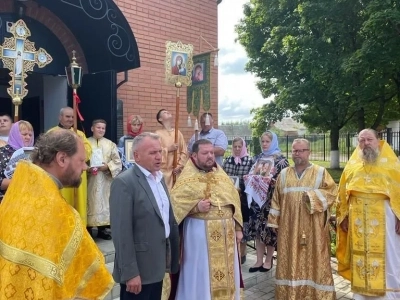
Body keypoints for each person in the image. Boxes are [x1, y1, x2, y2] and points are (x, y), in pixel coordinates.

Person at [0, 130, 113, 299]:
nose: (85, 167)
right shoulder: (60, 214)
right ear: (61, 159)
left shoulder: (19, 187)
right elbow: (96, 278)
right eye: (81, 161)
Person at [110, 132, 179, 300]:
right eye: (152, 153)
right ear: (136, 156)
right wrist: (130, 272)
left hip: (157, 265)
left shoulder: (159, 178)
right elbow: (121, 232)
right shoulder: (125, 183)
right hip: (138, 272)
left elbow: (165, 218)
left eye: (160, 152)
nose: (159, 157)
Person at [171, 139, 243, 300]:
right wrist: (196, 207)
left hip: (227, 236)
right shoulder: (186, 179)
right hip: (199, 235)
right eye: (205, 153)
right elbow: (175, 206)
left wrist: (238, 228)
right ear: (194, 156)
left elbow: (234, 199)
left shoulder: (220, 174)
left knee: (227, 271)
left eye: (211, 152)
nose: (210, 156)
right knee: (200, 271)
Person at [267, 138, 337, 299]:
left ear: (309, 152)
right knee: (289, 260)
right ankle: (290, 295)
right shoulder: (284, 174)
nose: (297, 154)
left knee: (315, 262)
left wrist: (312, 197)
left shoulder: (320, 172)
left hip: (314, 229)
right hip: (288, 228)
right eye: (294, 150)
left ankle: (316, 295)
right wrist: (273, 222)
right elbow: (276, 199)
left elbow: (332, 193)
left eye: (301, 150)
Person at [336, 129, 400, 299]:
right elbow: (343, 191)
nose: (365, 143)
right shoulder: (353, 165)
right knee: (360, 258)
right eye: (361, 140)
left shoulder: (391, 164)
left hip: (385, 218)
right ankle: (362, 295)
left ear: (377, 141)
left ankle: (389, 296)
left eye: (369, 139)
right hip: (357, 218)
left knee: (388, 256)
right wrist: (344, 216)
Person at [245, 131, 289, 273]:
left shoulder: (281, 160)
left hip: (271, 202)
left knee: (269, 230)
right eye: (262, 141)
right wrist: (251, 178)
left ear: (273, 142)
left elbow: (285, 181)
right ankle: (258, 260)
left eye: (267, 142)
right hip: (257, 203)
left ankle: (268, 260)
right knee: (258, 231)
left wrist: (271, 182)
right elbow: (252, 173)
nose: (264, 144)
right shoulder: (257, 158)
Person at [48, 107, 92, 225]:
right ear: (60, 117)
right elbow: (47, 152)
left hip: (78, 173)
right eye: (67, 116)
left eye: (73, 117)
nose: (70, 119)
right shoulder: (52, 133)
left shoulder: (80, 134)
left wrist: (79, 145)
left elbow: (88, 152)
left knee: (79, 205)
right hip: (61, 173)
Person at [87, 119, 122, 240]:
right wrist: (87, 168)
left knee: (104, 202)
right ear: (92, 128)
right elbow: (80, 160)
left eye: (103, 128)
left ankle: (103, 229)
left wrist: (107, 166)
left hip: (105, 179)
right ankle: (89, 229)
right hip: (90, 179)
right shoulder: (85, 143)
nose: (101, 130)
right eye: (98, 127)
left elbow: (117, 161)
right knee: (89, 202)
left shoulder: (110, 144)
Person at [222, 137, 254, 264]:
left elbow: (251, 179)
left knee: (242, 223)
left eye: (239, 147)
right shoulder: (228, 160)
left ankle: (242, 253)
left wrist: (241, 188)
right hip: (229, 197)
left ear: (243, 147)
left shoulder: (249, 161)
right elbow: (223, 176)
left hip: (243, 198)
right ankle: (231, 253)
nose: (237, 149)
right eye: (234, 146)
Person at [0, 120, 34, 202]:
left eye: (30, 135)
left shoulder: (35, 153)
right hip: (8, 202)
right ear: (15, 135)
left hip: (30, 201)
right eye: (24, 134)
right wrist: (20, 182)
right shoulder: (2, 152)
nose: (28, 137)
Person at [155, 109, 188, 190]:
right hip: (165, 171)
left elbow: (184, 151)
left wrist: (180, 165)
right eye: (164, 112)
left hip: (177, 171)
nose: (167, 112)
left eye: (168, 111)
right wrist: (169, 149)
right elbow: (156, 152)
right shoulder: (158, 134)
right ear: (160, 119)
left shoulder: (178, 132)